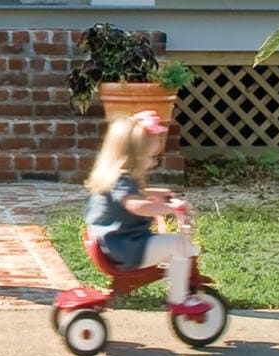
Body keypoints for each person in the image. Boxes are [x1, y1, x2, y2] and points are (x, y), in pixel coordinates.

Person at [84, 109, 211, 315]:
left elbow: (133, 196)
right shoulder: (122, 180)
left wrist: (154, 193)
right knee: (179, 244)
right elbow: (135, 205)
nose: (153, 163)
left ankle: (180, 290)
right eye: (151, 157)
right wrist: (170, 208)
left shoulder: (117, 178)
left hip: (115, 243)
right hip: (124, 248)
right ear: (132, 156)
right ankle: (179, 299)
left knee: (174, 244)